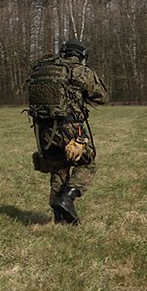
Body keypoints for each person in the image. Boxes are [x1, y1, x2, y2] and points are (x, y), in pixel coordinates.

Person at [28, 40, 109, 225]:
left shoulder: (43, 71)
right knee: (87, 163)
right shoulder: (77, 71)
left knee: (59, 170)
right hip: (70, 128)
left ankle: (61, 219)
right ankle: (67, 198)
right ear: (81, 56)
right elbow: (103, 96)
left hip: (44, 131)